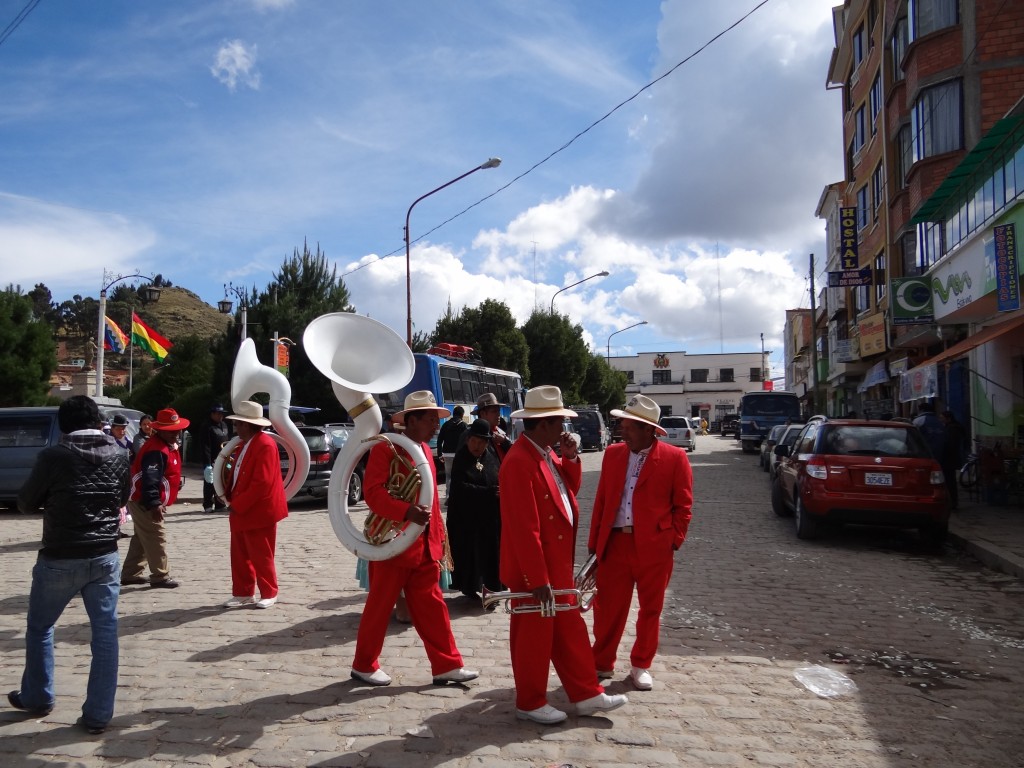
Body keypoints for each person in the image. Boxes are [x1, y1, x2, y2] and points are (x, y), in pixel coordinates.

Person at [499, 385, 627, 724]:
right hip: (537, 568)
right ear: (543, 424)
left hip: (555, 563)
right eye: (560, 423)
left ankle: (586, 695)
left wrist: (570, 459)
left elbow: (565, 493)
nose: (564, 430)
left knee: (570, 632)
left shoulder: (543, 452)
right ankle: (529, 701)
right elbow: (524, 528)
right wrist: (537, 577)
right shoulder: (518, 462)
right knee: (533, 636)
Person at [10, 395, 130, 735]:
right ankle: (98, 715)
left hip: (60, 556)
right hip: (105, 555)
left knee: (40, 627)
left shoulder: (53, 456)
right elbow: (122, 499)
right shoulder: (120, 454)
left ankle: (38, 696)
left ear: (64, 424)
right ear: (98, 421)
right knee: (105, 634)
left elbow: (25, 502)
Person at [350, 391, 478, 687]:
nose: (436, 425)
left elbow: (431, 502)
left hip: (423, 547)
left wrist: (437, 538)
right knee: (380, 607)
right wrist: (405, 510)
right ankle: (363, 665)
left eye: (436, 419)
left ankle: (446, 664)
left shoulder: (422, 450)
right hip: (393, 542)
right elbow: (373, 493)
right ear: (412, 420)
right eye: (431, 419)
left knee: (434, 607)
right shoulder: (386, 448)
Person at [588, 395, 693, 692]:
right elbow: (602, 501)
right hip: (616, 544)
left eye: (629, 426)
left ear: (648, 429)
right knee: (607, 608)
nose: (623, 430)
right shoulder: (612, 454)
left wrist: (673, 541)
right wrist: (595, 544)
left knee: (651, 609)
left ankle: (640, 665)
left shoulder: (675, 458)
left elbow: (683, 506)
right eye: (622, 424)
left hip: (654, 547)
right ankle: (602, 662)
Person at [219, 401, 288, 609]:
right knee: (239, 554)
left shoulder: (265, 444)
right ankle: (242, 592)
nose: (236, 428)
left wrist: (237, 503)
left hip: (259, 510)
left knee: (261, 553)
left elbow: (262, 482)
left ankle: (269, 592)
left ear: (247, 425)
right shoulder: (246, 444)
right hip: (243, 507)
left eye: (238, 424)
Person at [120, 408, 190, 589]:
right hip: (143, 500)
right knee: (155, 535)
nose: (176, 434)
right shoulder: (156, 450)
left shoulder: (164, 446)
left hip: (143, 498)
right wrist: (155, 503)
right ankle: (160, 575)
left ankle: (130, 573)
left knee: (141, 537)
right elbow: (150, 479)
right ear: (161, 430)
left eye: (177, 430)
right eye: (171, 431)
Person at [447, 418, 502, 600]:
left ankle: (491, 592)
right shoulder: (461, 458)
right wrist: (486, 492)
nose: (476, 446)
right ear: (468, 439)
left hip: (489, 518)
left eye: (481, 442)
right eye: (473, 441)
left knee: (490, 556)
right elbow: (459, 487)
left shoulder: (490, 457)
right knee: (469, 555)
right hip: (466, 518)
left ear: (487, 443)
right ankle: (468, 587)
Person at [462, 392, 513, 462]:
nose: (498, 414)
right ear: (482, 414)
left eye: (498, 411)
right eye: (494, 411)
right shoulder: (471, 434)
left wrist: (505, 441)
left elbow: (512, 453)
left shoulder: (500, 432)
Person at [202, 404, 230, 513]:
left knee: (222, 481)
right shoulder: (207, 426)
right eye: (218, 413)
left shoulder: (224, 425)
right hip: (212, 459)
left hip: (224, 459)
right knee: (210, 482)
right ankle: (208, 504)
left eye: (221, 414)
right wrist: (207, 464)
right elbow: (206, 446)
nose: (220, 416)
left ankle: (220, 503)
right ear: (212, 414)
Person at [436, 405, 467, 497]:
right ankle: (457, 495)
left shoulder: (446, 425)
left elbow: (440, 440)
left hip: (447, 454)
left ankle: (448, 496)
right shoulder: (463, 425)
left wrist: (439, 454)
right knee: (459, 475)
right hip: (459, 454)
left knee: (448, 476)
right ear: (462, 415)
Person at [940, 410, 968, 509]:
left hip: (949, 459)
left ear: (948, 418)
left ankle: (952, 502)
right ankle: (952, 501)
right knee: (950, 480)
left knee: (949, 481)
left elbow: (950, 444)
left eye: (943, 418)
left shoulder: (952, 429)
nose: (941, 420)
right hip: (952, 458)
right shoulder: (954, 427)